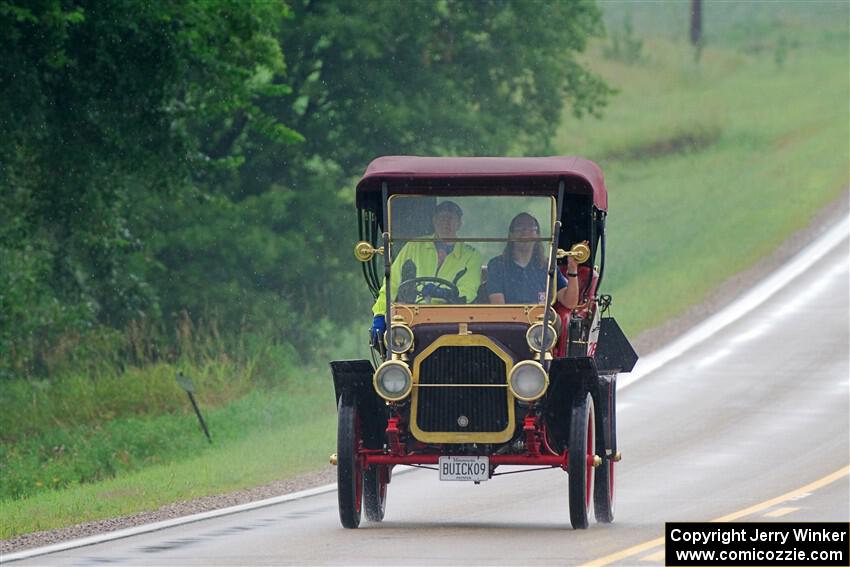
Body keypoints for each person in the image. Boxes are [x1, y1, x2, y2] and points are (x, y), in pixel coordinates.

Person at [371, 200, 482, 341]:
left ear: (459, 223)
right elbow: (391, 284)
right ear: (434, 221)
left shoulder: (471, 255)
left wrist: (444, 294)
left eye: (451, 218)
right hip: (413, 320)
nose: (445, 223)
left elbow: (468, 291)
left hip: (453, 321)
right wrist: (380, 315)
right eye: (441, 218)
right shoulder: (414, 246)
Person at [487, 212, 581, 308]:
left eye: (531, 229)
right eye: (519, 228)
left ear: (538, 236)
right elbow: (499, 309)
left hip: (541, 321)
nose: (525, 233)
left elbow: (570, 303)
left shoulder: (548, 266)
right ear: (511, 235)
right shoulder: (497, 265)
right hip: (509, 321)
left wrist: (572, 269)